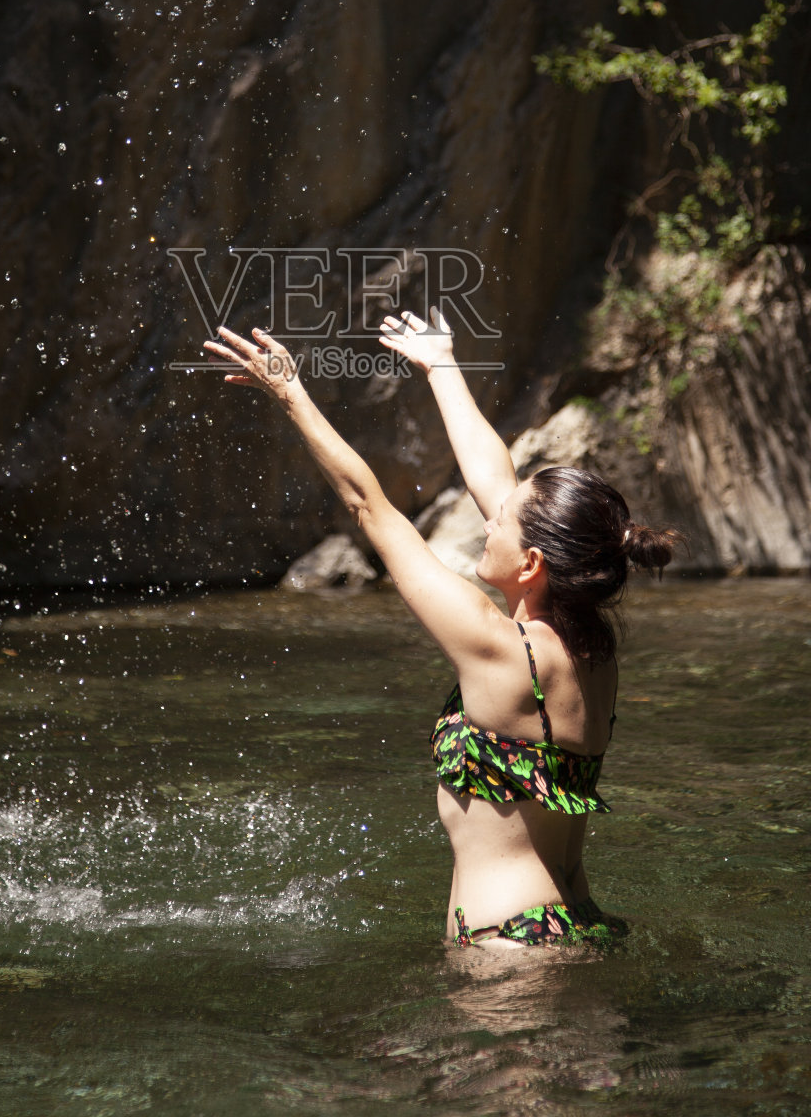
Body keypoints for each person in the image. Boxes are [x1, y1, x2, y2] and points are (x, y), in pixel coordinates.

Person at [204, 308, 678, 951]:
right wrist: (441, 365)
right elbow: (496, 480)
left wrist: (290, 393)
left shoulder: (495, 646)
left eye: (499, 521)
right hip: (576, 921)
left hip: (508, 946)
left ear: (534, 563)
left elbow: (368, 506)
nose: (487, 519)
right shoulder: (593, 646)